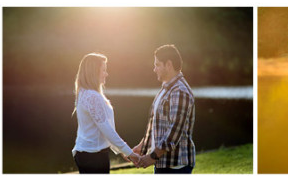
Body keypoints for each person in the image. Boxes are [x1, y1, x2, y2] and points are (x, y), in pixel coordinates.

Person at [72, 53, 142, 173]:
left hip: (86, 154)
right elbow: (107, 130)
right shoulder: (92, 96)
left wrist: (122, 151)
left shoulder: (84, 93)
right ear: (94, 72)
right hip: (93, 157)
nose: (106, 74)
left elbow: (105, 130)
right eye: (103, 70)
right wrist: (129, 153)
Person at [132, 45, 196, 173]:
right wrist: (142, 146)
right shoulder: (166, 88)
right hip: (163, 164)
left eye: (157, 65)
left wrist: (152, 157)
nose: (154, 69)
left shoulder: (179, 91)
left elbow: (174, 132)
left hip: (176, 167)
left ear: (168, 65)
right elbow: (157, 125)